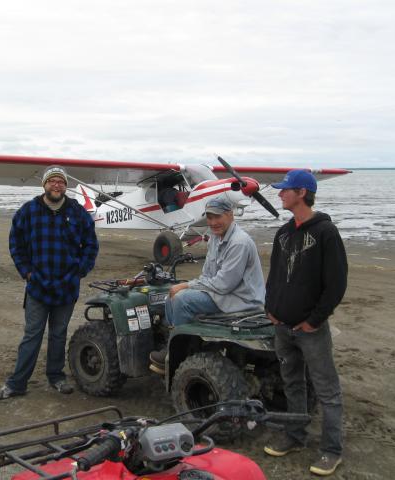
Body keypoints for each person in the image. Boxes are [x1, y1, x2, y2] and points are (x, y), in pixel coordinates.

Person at [263, 170, 347, 477]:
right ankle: (295, 436)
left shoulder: (326, 232)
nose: (280, 194)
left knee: (327, 391)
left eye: (285, 189)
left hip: (311, 331)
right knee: (292, 383)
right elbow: (274, 275)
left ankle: (332, 451)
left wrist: (314, 321)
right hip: (282, 327)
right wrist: (270, 309)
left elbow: (336, 284)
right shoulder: (283, 233)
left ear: (302, 192)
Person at [0, 165, 99, 400]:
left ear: (65, 186)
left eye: (61, 182)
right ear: (44, 185)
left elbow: (91, 245)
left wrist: (79, 271)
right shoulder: (28, 211)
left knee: (59, 334)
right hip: (38, 286)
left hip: (67, 285)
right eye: (52, 181)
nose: (56, 185)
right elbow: (15, 244)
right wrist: (27, 272)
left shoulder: (77, 212)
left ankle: (56, 377)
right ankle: (17, 383)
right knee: (32, 335)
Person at [149, 197, 265, 374]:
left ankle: (179, 357)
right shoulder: (215, 239)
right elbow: (207, 275)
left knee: (182, 300)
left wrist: (187, 286)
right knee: (170, 295)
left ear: (230, 215)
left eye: (217, 217)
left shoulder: (239, 242)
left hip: (241, 299)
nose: (213, 222)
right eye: (210, 218)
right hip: (224, 294)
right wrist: (186, 286)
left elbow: (224, 284)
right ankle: (174, 344)